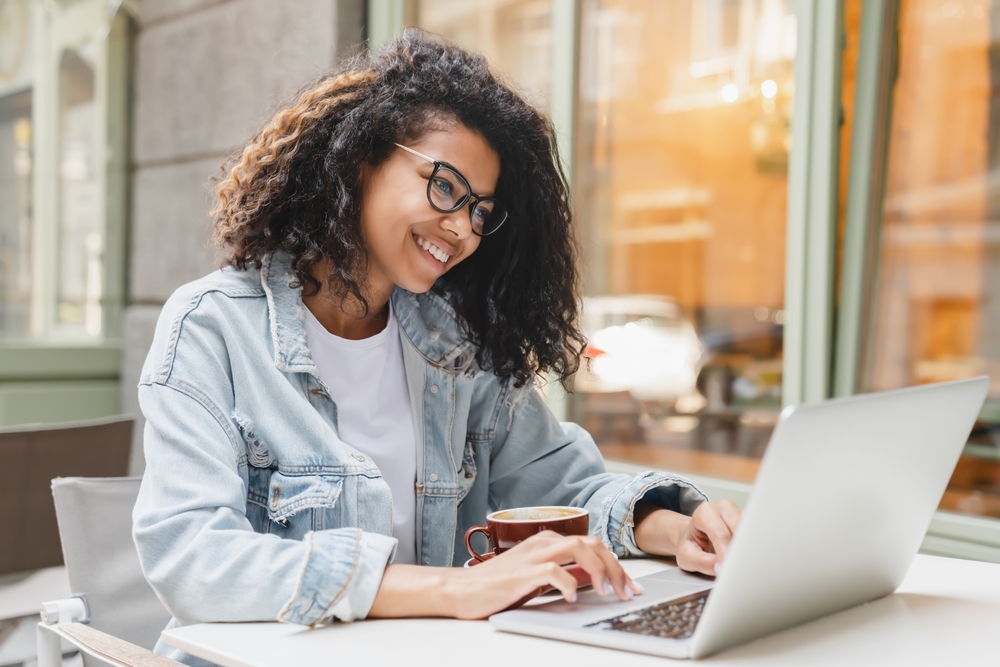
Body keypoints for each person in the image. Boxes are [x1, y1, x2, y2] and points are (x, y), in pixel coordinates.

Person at [132, 30, 741, 663]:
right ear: (361, 159)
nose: (461, 229)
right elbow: (192, 556)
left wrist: (676, 529)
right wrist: (457, 588)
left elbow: (569, 491)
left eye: (479, 210)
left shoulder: (457, 347)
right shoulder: (214, 330)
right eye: (445, 187)